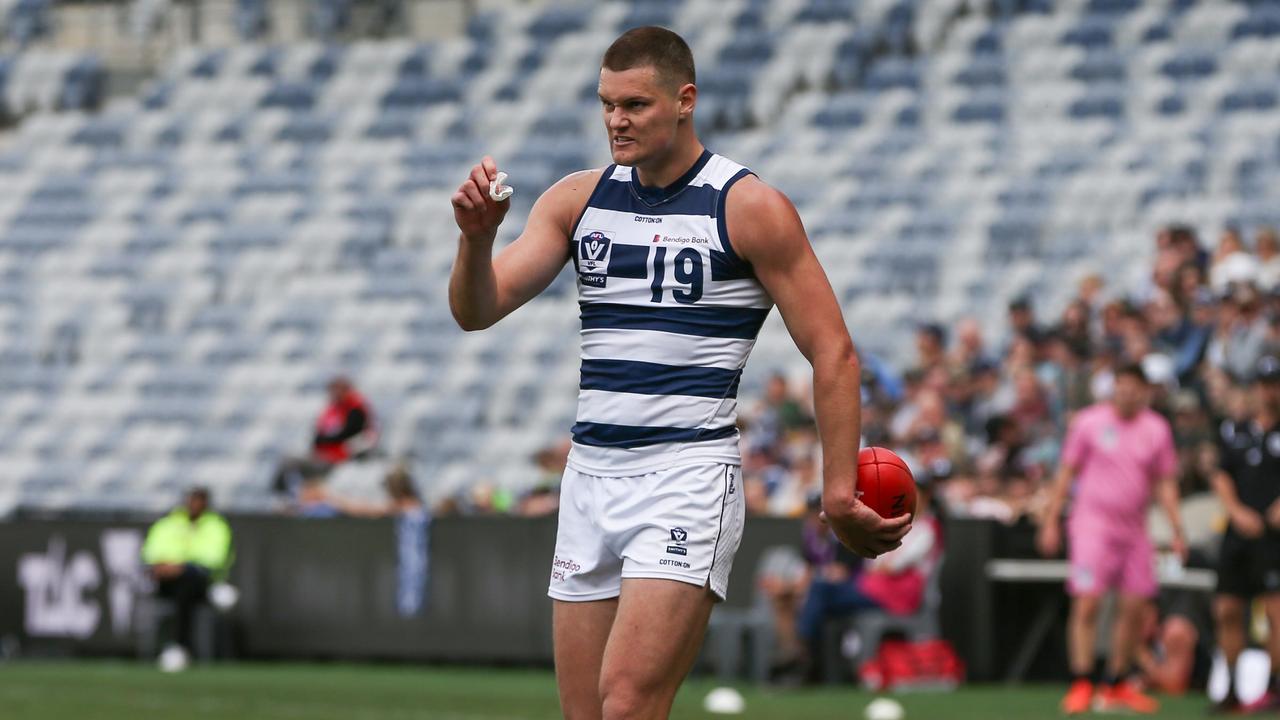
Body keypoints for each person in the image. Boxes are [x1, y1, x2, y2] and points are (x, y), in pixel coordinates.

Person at [447, 26, 910, 720]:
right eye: (607, 104)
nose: (616, 121)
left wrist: (837, 489)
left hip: (684, 480)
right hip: (590, 478)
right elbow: (477, 310)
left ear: (684, 100)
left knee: (628, 703)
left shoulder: (747, 206)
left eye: (635, 104)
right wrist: (475, 241)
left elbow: (834, 352)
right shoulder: (578, 200)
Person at [1037, 363, 1187, 715]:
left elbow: (1165, 482)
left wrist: (1177, 528)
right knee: (1088, 601)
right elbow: (1067, 472)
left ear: (1145, 391)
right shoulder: (1089, 423)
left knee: (1134, 607)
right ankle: (1082, 681)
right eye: (1122, 384)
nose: (1128, 392)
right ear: (1114, 387)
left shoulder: (1157, 429)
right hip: (1093, 524)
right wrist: (1050, 521)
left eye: (1135, 386)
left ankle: (1117, 682)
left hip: (1135, 529)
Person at [795, 476, 942, 681]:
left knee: (820, 589)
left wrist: (881, 565)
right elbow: (874, 562)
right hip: (873, 588)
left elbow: (891, 565)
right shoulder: (896, 522)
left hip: (896, 597)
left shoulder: (927, 528)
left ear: (926, 497)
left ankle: (802, 652)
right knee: (820, 594)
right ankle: (813, 661)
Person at [1207, 355, 1280, 714]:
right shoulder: (1235, 431)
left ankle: (1274, 688)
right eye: (1265, 384)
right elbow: (1221, 475)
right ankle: (1232, 686)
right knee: (1227, 609)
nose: (1270, 391)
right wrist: (1236, 511)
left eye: (1275, 384)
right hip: (1239, 535)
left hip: (1275, 538)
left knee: (1276, 612)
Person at [141, 487, 233, 670]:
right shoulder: (168, 524)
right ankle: (178, 647)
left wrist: (182, 568)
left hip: (200, 583)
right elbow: (151, 554)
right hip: (166, 582)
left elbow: (213, 560)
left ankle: (177, 647)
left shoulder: (216, 526)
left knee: (187, 586)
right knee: (180, 587)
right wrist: (165, 567)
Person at [271, 376, 377, 499]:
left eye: (336, 390)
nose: (332, 394)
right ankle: (288, 497)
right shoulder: (333, 408)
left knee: (290, 461)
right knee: (289, 460)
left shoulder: (355, 408)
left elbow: (348, 434)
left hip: (336, 457)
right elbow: (320, 433)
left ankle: (283, 496)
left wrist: (325, 440)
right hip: (322, 455)